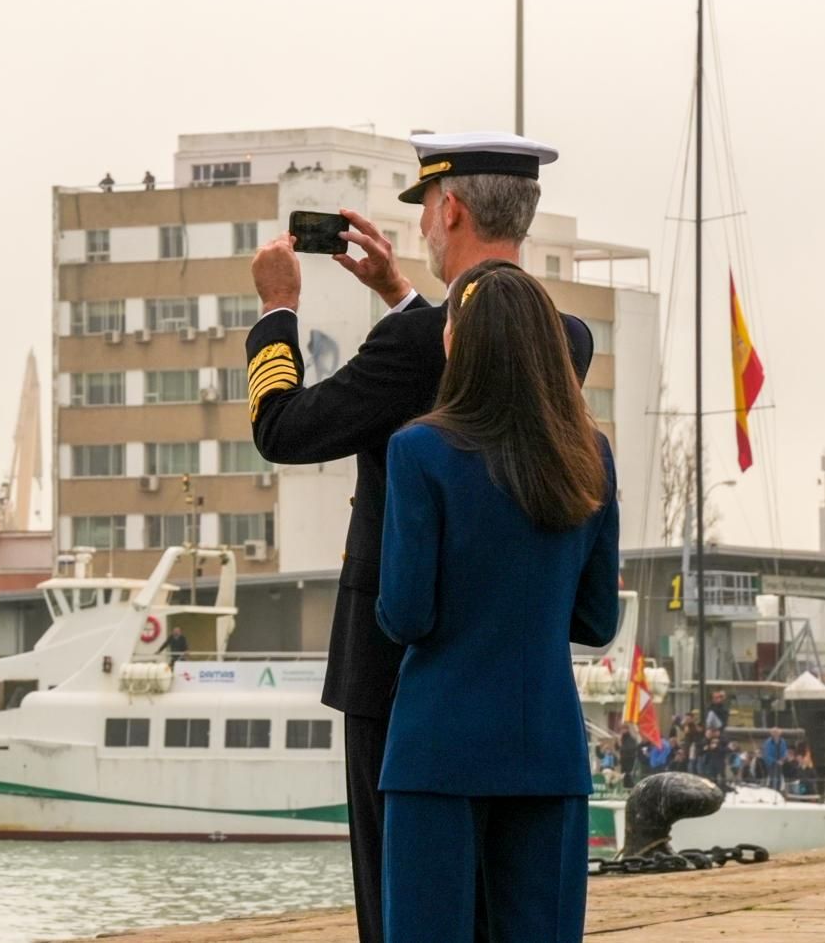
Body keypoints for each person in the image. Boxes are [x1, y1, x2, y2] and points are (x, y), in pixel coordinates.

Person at [247, 132, 594, 943]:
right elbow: (464, 347)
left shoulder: (411, 347)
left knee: (403, 913)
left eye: (428, 213)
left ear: (452, 210)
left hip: (395, 675)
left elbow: (283, 428)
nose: (427, 231)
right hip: (524, 691)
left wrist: (277, 310)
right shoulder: (566, 341)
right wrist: (401, 295)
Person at [374, 262, 619, 943]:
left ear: (462, 342)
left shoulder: (420, 451)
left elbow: (407, 614)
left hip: (437, 747)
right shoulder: (589, 456)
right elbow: (598, 620)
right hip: (547, 746)